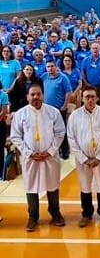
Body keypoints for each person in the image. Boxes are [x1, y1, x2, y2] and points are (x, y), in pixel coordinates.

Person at [10, 83, 66, 232]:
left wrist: (51, 151)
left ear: (43, 95)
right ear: (27, 96)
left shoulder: (53, 112)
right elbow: (15, 136)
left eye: (38, 94)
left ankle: (55, 212)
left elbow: (60, 132)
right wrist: (28, 153)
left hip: (50, 157)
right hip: (30, 158)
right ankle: (33, 217)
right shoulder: (21, 114)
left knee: (52, 185)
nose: (36, 97)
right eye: (33, 94)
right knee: (31, 187)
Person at [67, 86, 100, 227]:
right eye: (87, 97)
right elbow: (71, 139)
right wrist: (84, 159)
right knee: (85, 186)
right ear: (82, 98)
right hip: (83, 160)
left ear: (97, 98)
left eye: (93, 97)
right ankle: (87, 214)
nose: (90, 100)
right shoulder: (75, 116)